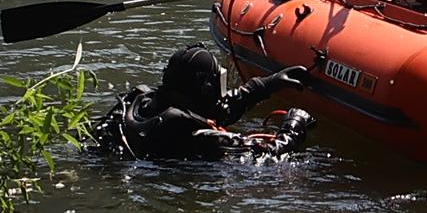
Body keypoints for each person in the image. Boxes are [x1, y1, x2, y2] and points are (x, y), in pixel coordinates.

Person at [89, 44, 318, 161]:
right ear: (206, 89)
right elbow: (267, 154)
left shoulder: (141, 102)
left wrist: (267, 84)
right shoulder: (198, 137)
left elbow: (217, 110)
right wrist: (294, 125)